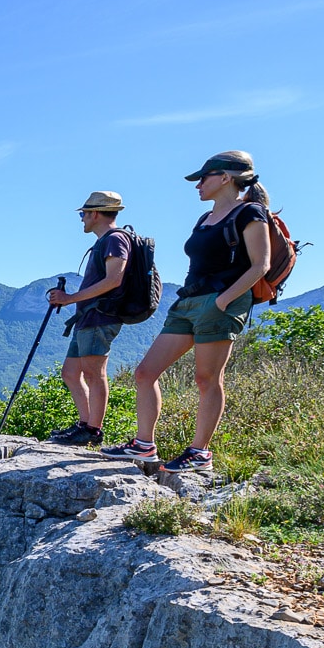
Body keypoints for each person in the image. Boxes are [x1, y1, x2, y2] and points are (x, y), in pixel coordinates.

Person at [101, 150, 273, 474]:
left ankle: (199, 453)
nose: (198, 185)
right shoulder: (205, 219)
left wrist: (222, 301)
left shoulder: (250, 213)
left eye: (203, 178)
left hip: (220, 302)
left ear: (225, 178)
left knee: (207, 379)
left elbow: (260, 264)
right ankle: (143, 445)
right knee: (145, 373)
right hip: (188, 302)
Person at [45, 191, 131, 446]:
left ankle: (93, 430)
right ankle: (84, 424)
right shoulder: (105, 241)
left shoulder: (115, 239)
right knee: (71, 372)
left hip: (101, 316)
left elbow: (114, 279)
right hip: (87, 317)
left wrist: (69, 298)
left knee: (94, 374)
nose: (82, 219)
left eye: (83, 214)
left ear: (95, 213)